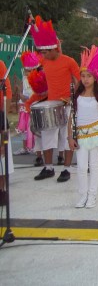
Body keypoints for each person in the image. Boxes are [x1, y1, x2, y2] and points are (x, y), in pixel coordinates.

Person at [30, 16, 80, 183]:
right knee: (47, 137)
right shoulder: (44, 62)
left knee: (67, 138)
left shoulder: (69, 61)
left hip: (67, 105)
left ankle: (66, 169)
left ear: (54, 49)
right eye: (42, 52)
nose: (43, 55)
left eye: (45, 52)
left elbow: (79, 81)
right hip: (51, 104)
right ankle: (49, 167)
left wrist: (73, 99)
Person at [67, 45, 98, 208]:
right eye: (83, 76)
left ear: (95, 77)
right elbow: (70, 118)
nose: (85, 79)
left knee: (94, 166)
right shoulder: (76, 96)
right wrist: (70, 137)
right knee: (81, 166)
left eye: (89, 76)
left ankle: (92, 195)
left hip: (96, 134)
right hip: (81, 136)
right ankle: (82, 195)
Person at [14, 51, 40, 155]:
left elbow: (32, 95)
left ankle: (34, 147)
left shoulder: (36, 80)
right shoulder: (25, 78)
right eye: (25, 70)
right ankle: (24, 147)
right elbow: (23, 90)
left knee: (31, 128)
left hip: (31, 106)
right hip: (23, 107)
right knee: (23, 128)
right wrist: (18, 89)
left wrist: (24, 97)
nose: (25, 72)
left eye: (28, 70)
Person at [0, 59, 13, 206]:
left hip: (0, 117)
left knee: (2, 158)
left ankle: (1, 190)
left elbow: (7, 93)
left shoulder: (1, 65)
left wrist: (3, 118)